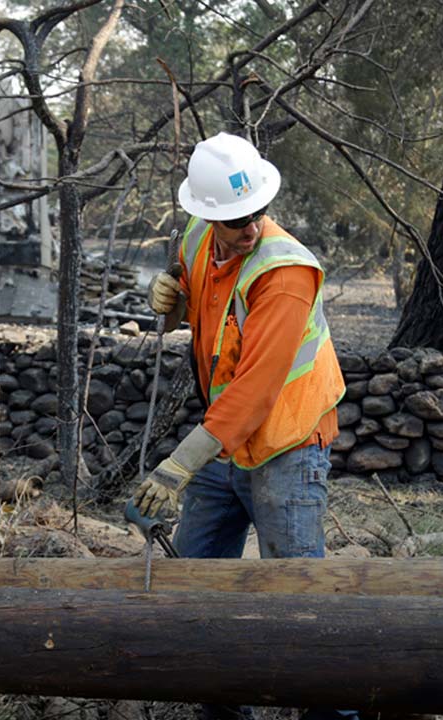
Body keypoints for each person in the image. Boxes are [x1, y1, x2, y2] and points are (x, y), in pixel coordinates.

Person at [132, 132, 353, 720]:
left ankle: (333, 712)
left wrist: (180, 464)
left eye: (256, 212)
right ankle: (223, 708)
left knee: (298, 600)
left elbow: (255, 391)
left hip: (285, 443)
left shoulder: (284, 273)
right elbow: (205, 307)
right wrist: (173, 302)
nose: (249, 227)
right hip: (226, 446)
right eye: (235, 219)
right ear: (206, 213)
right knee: (193, 587)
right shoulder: (199, 238)